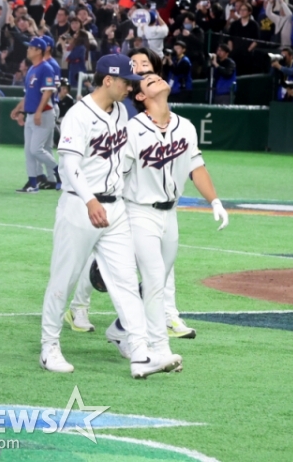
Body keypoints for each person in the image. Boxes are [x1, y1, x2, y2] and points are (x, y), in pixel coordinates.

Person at [39, 53, 180, 378]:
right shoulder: (78, 115)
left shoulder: (120, 111)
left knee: (126, 281)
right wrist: (90, 200)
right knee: (64, 279)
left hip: (115, 208)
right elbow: (69, 165)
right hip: (79, 206)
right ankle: (49, 347)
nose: (130, 88)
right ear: (107, 80)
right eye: (126, 82)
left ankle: (140, 353)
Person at [103, 71, 229, 368]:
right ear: (140, 96)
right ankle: (158, 348)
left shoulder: (185, 126)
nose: (157, 79)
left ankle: (120, 330)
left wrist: (215, 201)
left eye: (158, 77)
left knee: (155, 281)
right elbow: (118, 175)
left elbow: (197, 167)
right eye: (149, 81)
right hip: (139, 212)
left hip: (170, 214)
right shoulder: (133, 129)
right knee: (154, 279)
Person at [9, 37, 58, 193]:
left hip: (43, 114)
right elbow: (28, 95)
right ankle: (32, 183)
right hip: (31, 114)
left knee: (36, 149)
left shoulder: (46, 68)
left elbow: (48, 92)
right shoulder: (31, 69)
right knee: (29, 151)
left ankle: (58, 171)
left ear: (38, 51)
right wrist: (18, 109)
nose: (28, 50)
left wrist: (38, 112)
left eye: (31, 48)